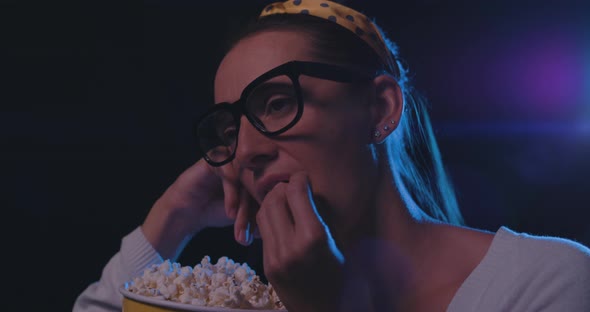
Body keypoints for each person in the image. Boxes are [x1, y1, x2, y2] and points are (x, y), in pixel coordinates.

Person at [73, 0, 590, 311]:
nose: (246, 152)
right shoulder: (245, 301)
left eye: (276, 103)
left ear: (380, 109)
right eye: (230, 130)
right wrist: (174, 214)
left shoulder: (545, 282)